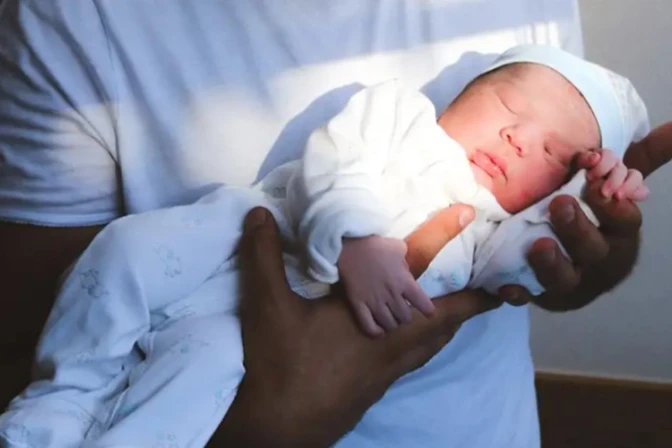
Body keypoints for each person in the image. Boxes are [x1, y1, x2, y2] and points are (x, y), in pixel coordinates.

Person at [0, 1, 671, 447]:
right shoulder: (400, 119)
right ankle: (65, 402)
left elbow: (526, 267)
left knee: (195, 375)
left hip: (248, 348)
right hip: (216, 253)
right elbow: (336, 162)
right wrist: (356, 240)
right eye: (506, 105)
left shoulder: (492, 225)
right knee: (125, 254)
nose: (519, 139)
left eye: (553, 154)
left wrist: (589, 220)